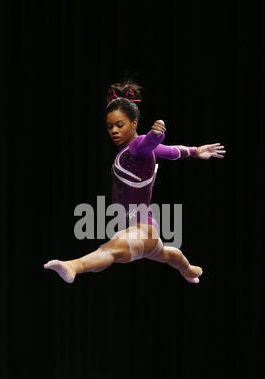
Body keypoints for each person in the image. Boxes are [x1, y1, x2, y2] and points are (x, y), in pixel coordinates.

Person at [44, 81, 225, 284]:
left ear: (134, 123)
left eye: (119, 125)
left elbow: (149, 142)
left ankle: (73, 266)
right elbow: (173, 151)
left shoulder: (138, 147)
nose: (114, 130)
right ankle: (189, 269)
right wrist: (194, 151)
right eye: (110, 126)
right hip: (144, 228)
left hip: (141, 228)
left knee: (109, 250)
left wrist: (156, 135)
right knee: (163, 253)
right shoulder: (137, 151)